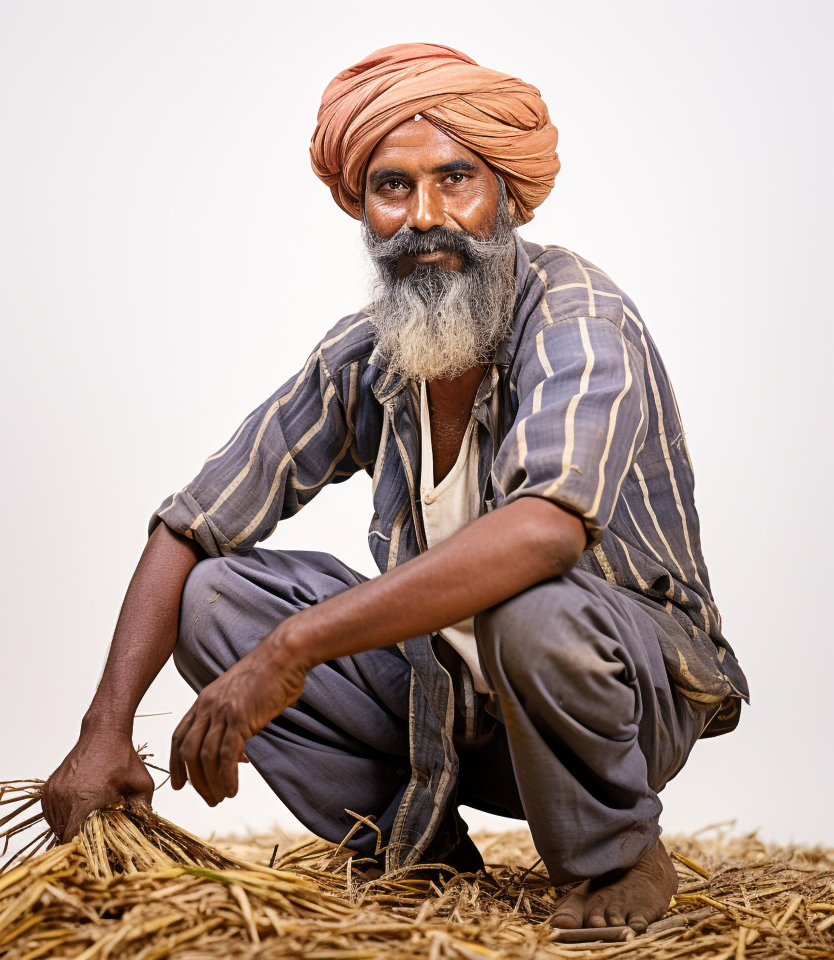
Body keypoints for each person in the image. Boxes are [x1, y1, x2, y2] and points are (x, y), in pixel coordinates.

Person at [42, 43, 748, 933]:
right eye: (393, 187)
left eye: (457, 179)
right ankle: (417, 856)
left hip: (618, 697)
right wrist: (105, 727)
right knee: (214, 598)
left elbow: (545, 534)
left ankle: (615, 857)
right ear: (364, 211)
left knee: (531, 608)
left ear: (506, 195)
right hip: (447, 710)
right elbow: (190, 526)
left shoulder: (579, 318)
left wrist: (291, 651)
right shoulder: (365, 353)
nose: (427, 216)